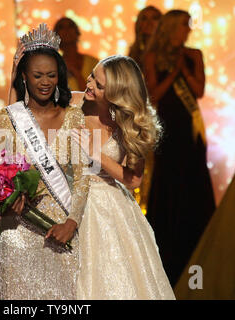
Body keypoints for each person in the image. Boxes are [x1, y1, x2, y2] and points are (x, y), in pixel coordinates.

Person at [0, 23, 89, 299]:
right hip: (18, 234)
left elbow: (83, 177)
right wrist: (6, 199)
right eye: (37, 75)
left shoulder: (74, 118)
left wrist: (72, 223)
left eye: (52, 75)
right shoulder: (4, 119)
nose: (45, 82)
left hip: (63, 232)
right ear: (23, 77)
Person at [69, 55, 175, 299]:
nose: (89, 82)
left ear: (116, 94)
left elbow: (134, 179)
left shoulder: (129, 121)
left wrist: (96, 154)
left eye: (99, 84)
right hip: (69, 201)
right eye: (93, 75)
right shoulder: (73, 103)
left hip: (109, 208)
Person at [143, 10, 215, 287]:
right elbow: (154, 95)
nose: (189, 30)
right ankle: (167, 255)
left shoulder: (194, 54)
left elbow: (198, 91)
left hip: (190, 131)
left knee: (194, 183)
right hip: (168, 129)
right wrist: (173, 72)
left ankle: (197, 250)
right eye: (185, 25)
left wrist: (184, 68)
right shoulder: (152, 57)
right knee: (169, 185)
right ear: (172, 27)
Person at [128, 6, 162, 214]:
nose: (148, 23)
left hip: (160, 117)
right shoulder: (133, 54)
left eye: (154, 19)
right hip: (136, 119)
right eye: (144, 19)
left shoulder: (165, 55)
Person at [53, 17, 99, 91]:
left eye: (70, 26)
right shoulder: (53, 65)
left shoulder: (93, 62)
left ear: (77, 32)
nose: (66, 30)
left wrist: (76, 73)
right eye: (61, 27)